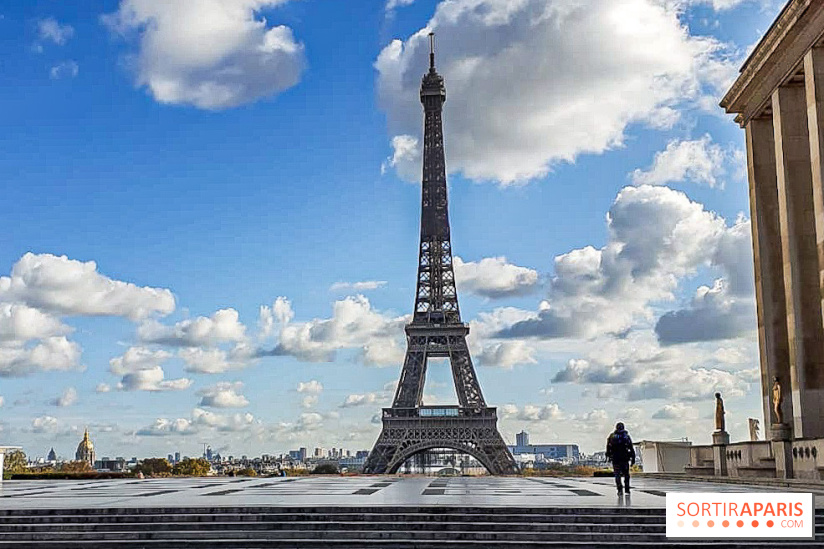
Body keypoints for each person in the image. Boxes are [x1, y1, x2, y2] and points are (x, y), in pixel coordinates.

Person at [606, 422, 635, 495]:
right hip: (625, 458)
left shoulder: (612, 436)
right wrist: (633, 458)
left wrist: (609, 456)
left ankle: (619, 489)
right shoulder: (626, 436)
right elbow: (631, 448)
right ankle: (627, 489)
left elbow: (608, 448)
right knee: (626, 474)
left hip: (615, 458)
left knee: (617, 475)